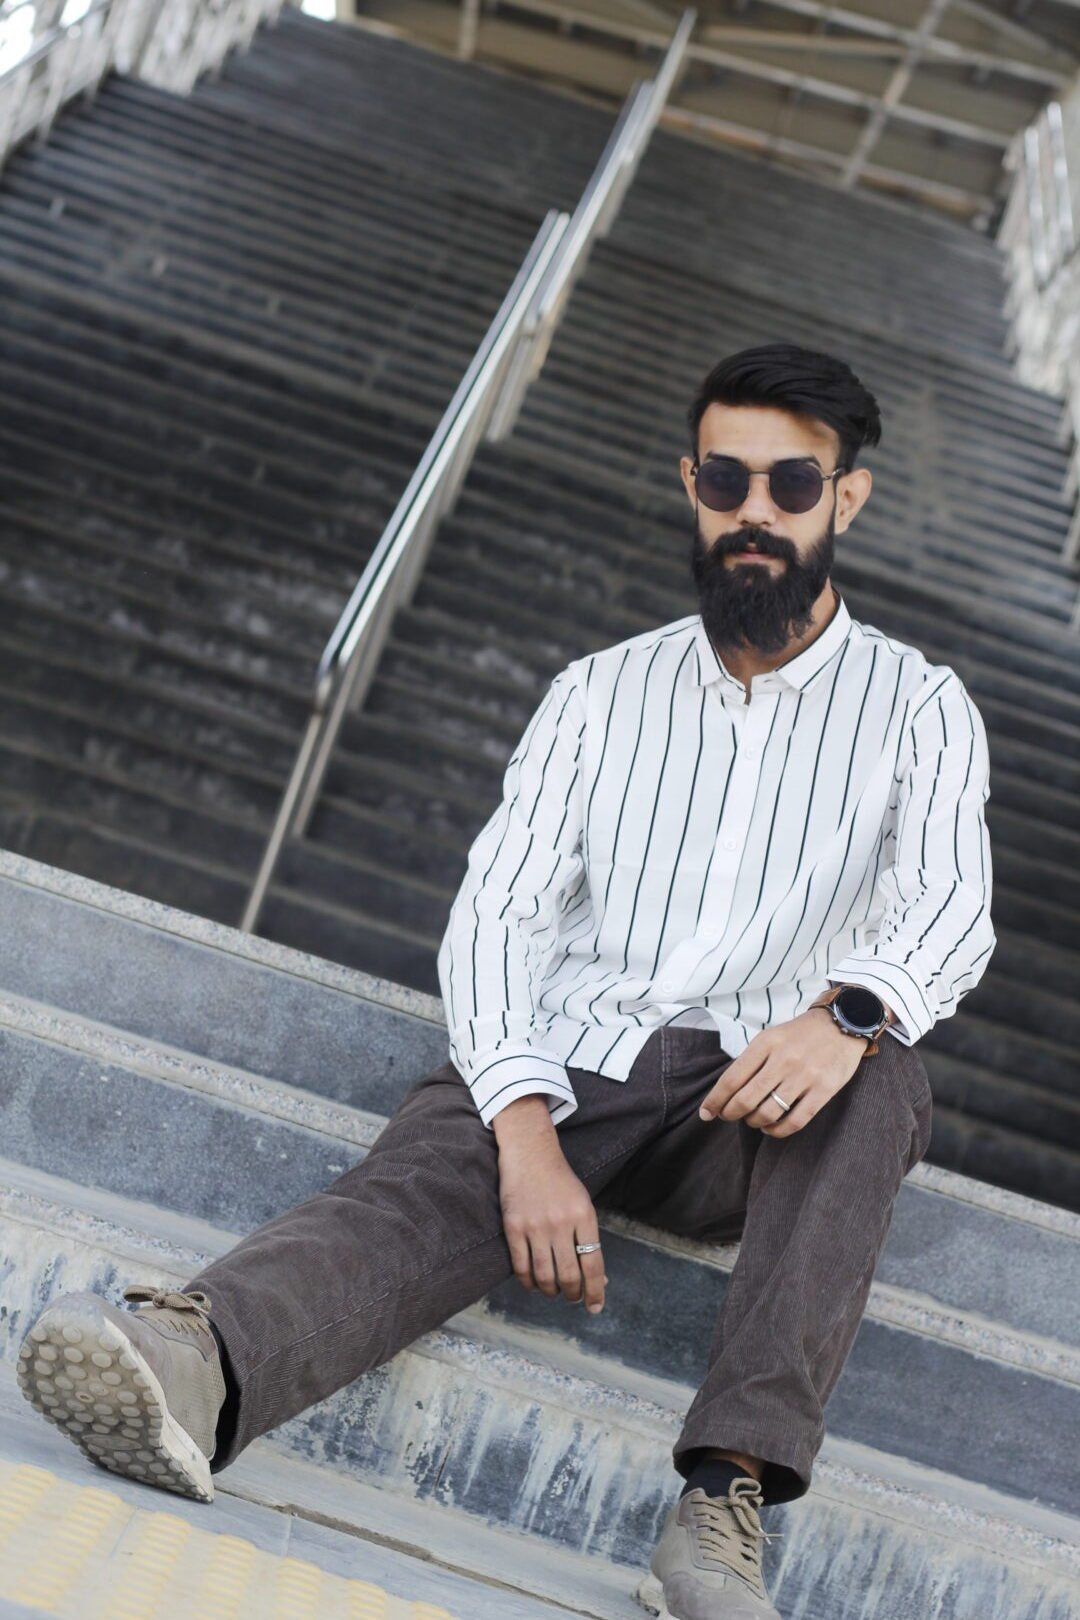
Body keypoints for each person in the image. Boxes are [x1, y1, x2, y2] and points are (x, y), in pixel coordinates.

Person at [17, 342, 995, 1620]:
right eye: (726, 478)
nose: (755, 511)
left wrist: (849, 1015)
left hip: (759, 1105)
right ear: (691, 487)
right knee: (453, 1147)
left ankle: (723, 1507)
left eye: (792, 484)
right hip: (580, 1059)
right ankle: (198, 1360)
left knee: (882, 1084)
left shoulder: (918, 706)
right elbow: (499, 920)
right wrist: (527, 1131)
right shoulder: (599, 695)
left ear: (844, 501)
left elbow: (952, 910)